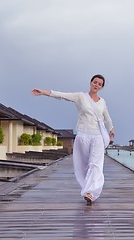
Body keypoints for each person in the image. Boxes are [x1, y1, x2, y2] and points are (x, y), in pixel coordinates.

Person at [31, 74, 115, 205]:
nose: (96, 85)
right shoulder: (80, 96)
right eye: (95, 82)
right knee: (82, 164)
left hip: (98, 135)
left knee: (95, 164)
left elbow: (107, 117)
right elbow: (61, 95)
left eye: (99, 84)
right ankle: (86, 187)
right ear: (91, 82)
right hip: (83, 135)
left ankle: (90, 192)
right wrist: (43, 92)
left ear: (101, 87)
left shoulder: (102, 102)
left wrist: (111, 129)